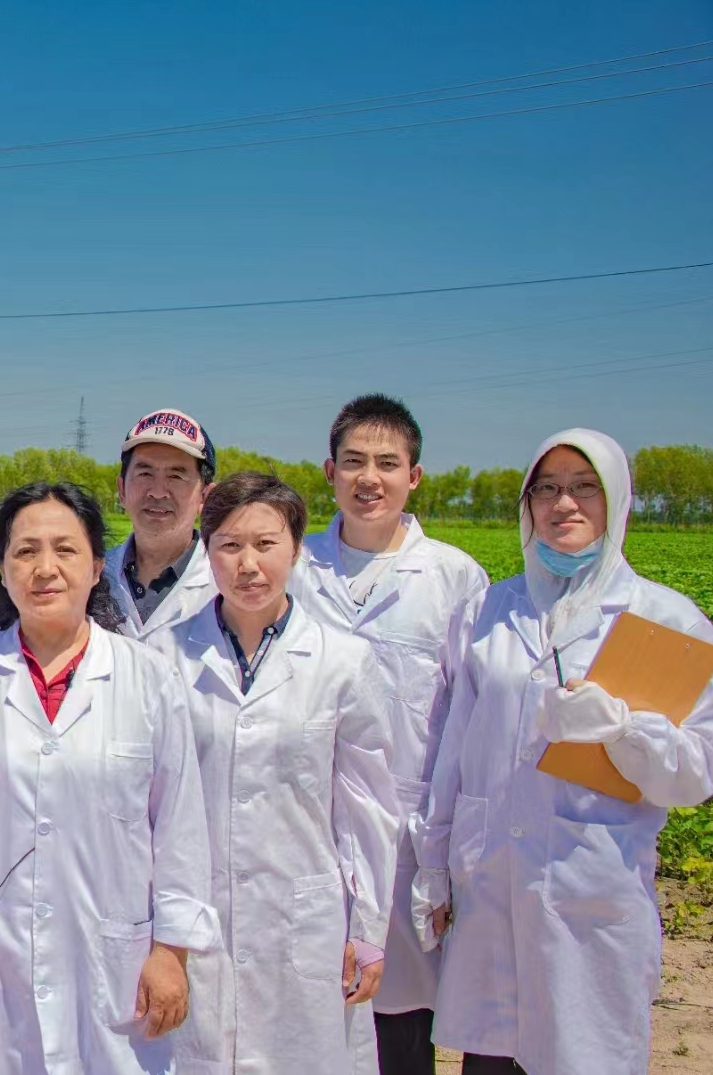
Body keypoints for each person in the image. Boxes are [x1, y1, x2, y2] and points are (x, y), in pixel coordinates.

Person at [412, 429, 713, 1075]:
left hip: (591, 893)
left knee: (583, 1054)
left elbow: (701, 769)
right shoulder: (487, 609)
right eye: (548, 488)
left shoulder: (664, 620)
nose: (565, 503)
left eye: (585, 487)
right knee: (489, 1057)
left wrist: (622, 730)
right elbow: (454, 750)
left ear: (617, 499)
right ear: (528, 504)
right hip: (491, 884)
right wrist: (435, 861)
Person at [0, 481, 217, 1074]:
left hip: (114, 969)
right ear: (3, 568)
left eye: (65, 550)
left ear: (97, 567)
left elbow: (179, 827)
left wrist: (172, 952)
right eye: (25, 551)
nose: (45, 568)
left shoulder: (148, 679)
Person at [151, 472, 401, 1074]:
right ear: (206, 551)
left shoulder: (342, 661)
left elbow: (367, 807)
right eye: (229, 545)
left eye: (266, 544)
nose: (249, 565)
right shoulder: (162, 656)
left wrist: (369, 926)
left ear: (296, 549)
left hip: (303, 918)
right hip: (195, 915)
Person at [295, 395, 489, 1075]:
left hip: (410, 836)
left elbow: (470, 721)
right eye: (353, 462)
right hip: (305, 828)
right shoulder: (293, 566)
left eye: (386, 463)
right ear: (329, 472)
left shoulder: (455, 579)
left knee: (401, 1021)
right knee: (307, 1016)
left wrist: (449, 850)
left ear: (415, 476)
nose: (368, 478)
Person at [101, 409, 220, 643]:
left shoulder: (226, 582)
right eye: (145, 473)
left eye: (176, 476)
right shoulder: (91, 576)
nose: (157, 492)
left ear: (205, 496)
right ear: (122, 489)